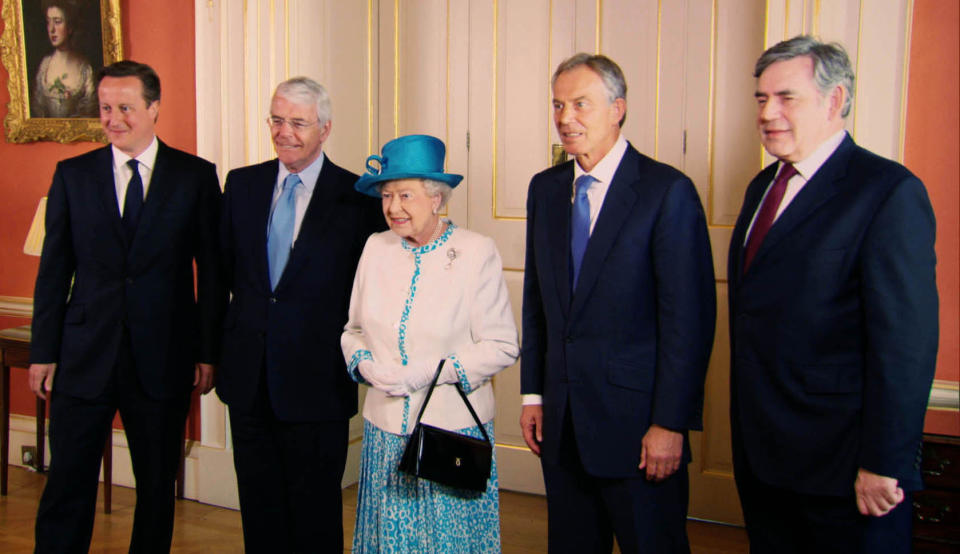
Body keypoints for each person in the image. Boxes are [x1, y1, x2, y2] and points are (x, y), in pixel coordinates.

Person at [728, 35, 938, 554]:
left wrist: (884, 462)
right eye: (761, 99)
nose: (768, 112)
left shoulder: (888, 192)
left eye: (786, 97)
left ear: (835, 100)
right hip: (764, 456)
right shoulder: (762, 186)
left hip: (844, 469)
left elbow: (905, 347)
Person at [520, 53, 716, 553]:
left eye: (581, 104)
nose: (566, 118)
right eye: (558, 105)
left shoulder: (666, 191)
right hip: (562, 427)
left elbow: (687, 323)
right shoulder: (545, 190)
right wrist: (533, 396)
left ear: (618, 109)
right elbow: (537, 303)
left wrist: (670, 423)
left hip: (639, 433)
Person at [28, 60, 226, 553]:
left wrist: (207, 352)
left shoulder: (195, 177)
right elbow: (53, 274)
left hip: (163, 359)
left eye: (125, 108)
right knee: (66, 485)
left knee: (157, 489)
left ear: (154, 108)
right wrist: (42, 351)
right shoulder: (72, 176)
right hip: (83, 356)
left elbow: (214, 273)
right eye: (105, 108)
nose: (113, 119)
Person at [216, 77, 385, 552]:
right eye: (276, 119)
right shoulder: (241, 185)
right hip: (248, 378)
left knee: (314, 516)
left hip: (317, 382)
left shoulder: (358, 198)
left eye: (297, 122)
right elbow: (226, 275)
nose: (283, 131)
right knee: (259, 509)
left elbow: (370, 291)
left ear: (325, 129)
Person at [342, 134, 519, 552]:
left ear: (436, 199)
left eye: (406, 195)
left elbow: (502, 345)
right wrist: (365, 365)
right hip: (385, 430)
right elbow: (352, 331)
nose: (393, 207)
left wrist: (428, 373)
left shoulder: (475, 252)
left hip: (449, 432)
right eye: (387, 195)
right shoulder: (375, 247)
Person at [32, 0, 97, 118]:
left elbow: (89, 110)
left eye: (57, 22)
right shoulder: (44, 65)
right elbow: (37, 107)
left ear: (70, 27)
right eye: (48, 22)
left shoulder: (84, 68)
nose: (51, 29)